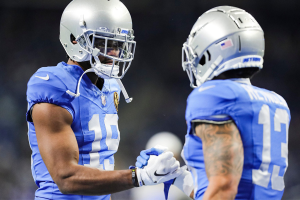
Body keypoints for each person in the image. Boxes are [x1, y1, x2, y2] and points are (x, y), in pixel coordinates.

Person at [26, 0, 182, 199]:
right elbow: (67, 178)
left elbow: (96, 159)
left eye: (117, 44)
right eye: (102, 42)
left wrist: (142, 169)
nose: (113, 52)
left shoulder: (110, 85)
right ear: (74, 39)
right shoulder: (55, 86)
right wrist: (138, 176)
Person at [140, 5, 290, 200]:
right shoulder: (276, 102)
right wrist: (179, 178)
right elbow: (236, 183)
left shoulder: (213, 95)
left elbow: (224, 187)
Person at [131, 132, 191, 200]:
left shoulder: (188, 185)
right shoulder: (141, 187)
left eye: (173, 160)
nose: (167, 166)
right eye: (162, 161)